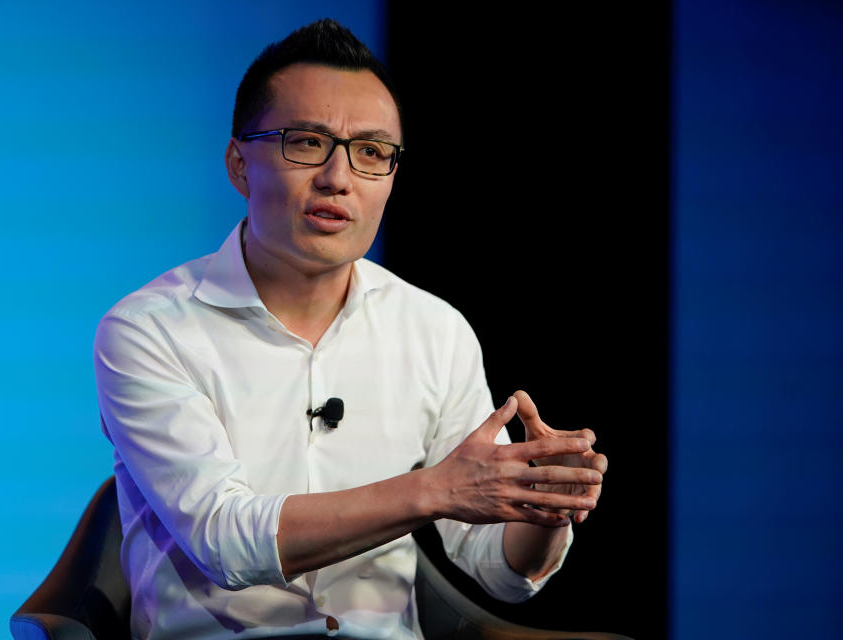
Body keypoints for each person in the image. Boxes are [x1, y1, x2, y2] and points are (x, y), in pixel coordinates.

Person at [94, 19, 607, 640]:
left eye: (370, 152)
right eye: (307, 142)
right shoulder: (149, 330)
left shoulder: (433, 330)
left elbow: (498, 570)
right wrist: (434, 490)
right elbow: (225, 542)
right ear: (238, 164)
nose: (339, 177)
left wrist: (543, 508)